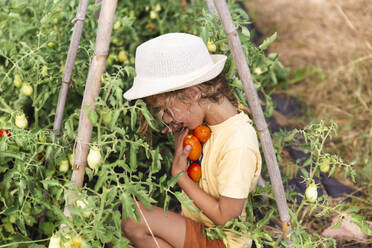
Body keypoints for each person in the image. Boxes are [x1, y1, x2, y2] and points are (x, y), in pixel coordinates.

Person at [122, 33, 262, 248]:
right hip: (200, 227)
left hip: (223, 241)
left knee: (134, 219)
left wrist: (180, 176)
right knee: (124, 228)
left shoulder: (238, 142)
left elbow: (226, 218)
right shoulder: (204, 126)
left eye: (164, 110)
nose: (166, 120)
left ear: (193, 93)